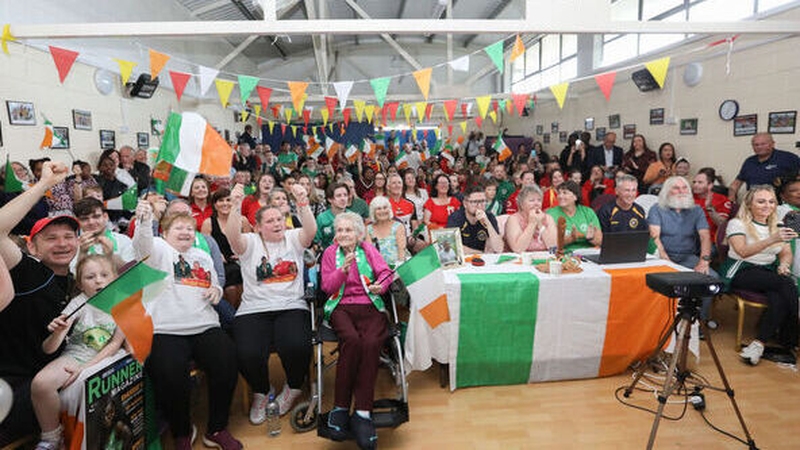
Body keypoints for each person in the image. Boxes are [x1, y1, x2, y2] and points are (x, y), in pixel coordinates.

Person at [133, 202, 241, 450]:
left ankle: (216, 428)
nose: (185, 232)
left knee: (227, 360)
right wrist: (144, 221)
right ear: (165, 232)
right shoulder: (159, 250)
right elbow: (142, 246)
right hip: (166, 329)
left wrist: (215, 290)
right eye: (178, 228)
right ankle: (182, 431)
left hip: (204, 325)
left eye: (190, 229)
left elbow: (213, 282)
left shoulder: (202, 256)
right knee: (169, 373)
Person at [0, 162, 78, 446]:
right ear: (31, 246)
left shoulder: (81, 279)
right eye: (51, 238)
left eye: (69, 236)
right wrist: (44, 184)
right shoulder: (27, 272)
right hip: (14, 381)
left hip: (53, 382)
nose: (62, 243)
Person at [225, 182, 315, 424]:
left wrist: (303, 201)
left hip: (291, 306)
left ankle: (294, 387)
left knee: (297, 346)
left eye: (280, 219)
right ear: (258, 227)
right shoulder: (249, 242)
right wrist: (235, 205)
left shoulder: (294, 237)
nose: (277, 224)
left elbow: (311, 231)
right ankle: (261, 392)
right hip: (254, 309)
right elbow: (231, 235)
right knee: (246, 352)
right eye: (270, 221)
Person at [31, 252, 125, 450]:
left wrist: (84, 368)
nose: (98, 280)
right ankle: (52, 438)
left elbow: (115, 344)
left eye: (104, 275)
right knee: (41, 384)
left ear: (114, 278)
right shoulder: (79, 302)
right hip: (75, 355)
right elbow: (48, 349)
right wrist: (57, 332)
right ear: (81, 284)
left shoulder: (124, 304)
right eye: (90, 277)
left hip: (104, 358)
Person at [318, 212, 393, 449]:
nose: (343, 234)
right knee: (351, 340)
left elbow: (386, 273)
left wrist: (381, 285)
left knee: (371, 343)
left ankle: (362, 412)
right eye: (339, 230)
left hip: (370, 305)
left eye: (348, 230)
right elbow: (327, 287)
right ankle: (340, 407)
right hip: (341, 307)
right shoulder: (330, 254)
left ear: (359, 233)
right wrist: (343, 269)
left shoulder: (368, 250)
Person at [720, 186, 798, 365]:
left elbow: (786, 253)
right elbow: (742, 252)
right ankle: (791, 341)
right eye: (761, 201)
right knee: (787, 286)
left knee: (779, 297)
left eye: (771, 202)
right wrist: (772, 239)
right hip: (740, 269)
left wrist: (784, 265)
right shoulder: (737, 223)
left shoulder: (777, 225)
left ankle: (758, 344)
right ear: (749, 204)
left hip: (767, 272)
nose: (767, 206)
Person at [648, 176, 718, 325]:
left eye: (684, 187)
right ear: (667, 191)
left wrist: (704, 262)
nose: (681, 191)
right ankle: (662, 322)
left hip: (687, 257)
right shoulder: (657, 209)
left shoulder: (697, 210)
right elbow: (655, 237)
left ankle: (701, 321)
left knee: (710, 278)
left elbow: (705, 236)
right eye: (676, 188)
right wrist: (665, 259)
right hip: (662, 257)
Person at [201, 188, 252, 308]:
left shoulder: (243, 220)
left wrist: (241, 254)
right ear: (214, 204)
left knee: (239, 272)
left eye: (229, 200)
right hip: (220, 263)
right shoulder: (208, 223)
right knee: (232, 278)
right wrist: (216, 255)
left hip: (241, 260)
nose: (225, 203)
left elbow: (250, 243)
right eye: (221, 200)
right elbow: (205, 248)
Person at [728, 132, 800, 201]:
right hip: (753, 203)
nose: (759, 147)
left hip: (779, 205)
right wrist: (731, 199)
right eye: (756, 145)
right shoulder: (749, 162)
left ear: (772, 144)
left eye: (763, 144)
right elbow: (736, 184)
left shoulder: (788, 158)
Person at [72, 198, 137, 269]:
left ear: (105, 217)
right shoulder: (73, 245)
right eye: (84, 219)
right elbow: (74, 277)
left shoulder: (123, 241)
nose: (91, 222)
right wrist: (82, 253)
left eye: (96, 216)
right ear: (78, 222)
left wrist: (111, 255)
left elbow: (131, 273)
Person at [546, 180, 603, 252]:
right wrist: (571, 238)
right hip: (563, 254)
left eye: (565, 193)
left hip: (588, 253)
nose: (560, 196)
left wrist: (590, 238)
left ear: (575, 197)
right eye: (559, 193)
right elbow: (550, 243)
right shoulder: (551, 214)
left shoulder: (588, 212)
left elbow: (600, 240)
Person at [447, 184, 502, 254]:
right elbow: (451, 246)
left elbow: (499, 248)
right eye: (474, 202)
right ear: (465, 204)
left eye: (482, 201)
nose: (479, 205)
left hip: (484, 260)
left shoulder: (489, 217)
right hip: (464, 258)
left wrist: (487, 223)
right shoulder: (456, 217)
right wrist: (480, 253)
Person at [505, 186, 557, 253]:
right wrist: (532, 224)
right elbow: (518, 249)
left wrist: (540, 224)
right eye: (531, 200)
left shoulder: (548, 218)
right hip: (521, 259)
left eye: (539, 200)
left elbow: (553, 247)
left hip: (545, 258)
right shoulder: (513, 219)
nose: (536, 204)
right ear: (521, 204)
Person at [692, 168, 732, 244]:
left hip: (710, 241)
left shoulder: (722, 199)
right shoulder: (689, 198)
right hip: (689, 239)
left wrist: (709, 208)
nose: (695, 185)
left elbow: (721, 224)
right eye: (694, 182)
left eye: (700, 182)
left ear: (710, 185)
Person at [366, 196, 406, 268]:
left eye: (385, 208)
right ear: (373, 212)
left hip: (400, 265)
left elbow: (401, 249)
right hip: (379, 268)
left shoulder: (398, 226)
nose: (382, 211)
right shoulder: (368, 229)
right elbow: (370, 253)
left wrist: (399, 267)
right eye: (378, 209)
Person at [316, 183, 351, 249]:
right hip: (327, 255)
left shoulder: (353, 217)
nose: (343, 198)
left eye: (345, 195)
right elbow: (316, 241)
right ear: (330, 199)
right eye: (339, 196)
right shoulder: (321, 218)